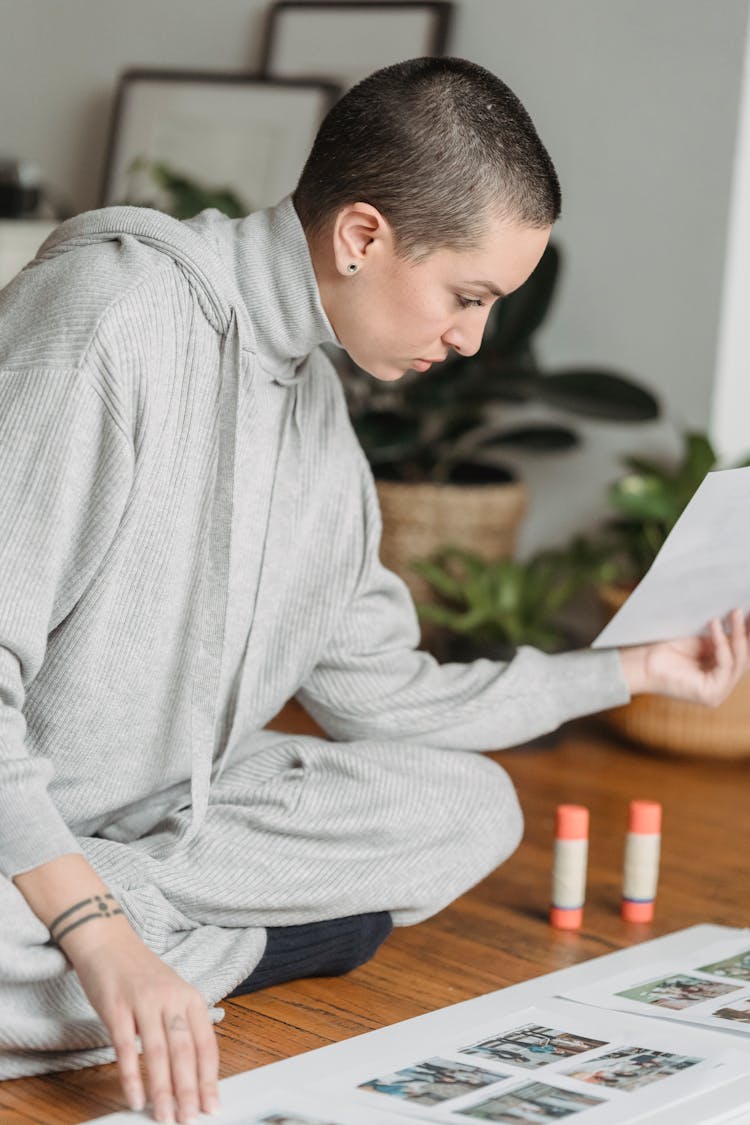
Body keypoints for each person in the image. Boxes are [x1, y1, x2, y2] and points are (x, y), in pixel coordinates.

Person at [0, 55, 747, 1125]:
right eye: (468, 296)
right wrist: (101, 934)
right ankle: (178, 959)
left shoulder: (317, 427)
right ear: (362, 236)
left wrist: (632, 668)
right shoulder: (107, 318)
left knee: (472, 804)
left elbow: (385, 699)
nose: (472, 338)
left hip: (142, 823)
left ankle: (127, 958)